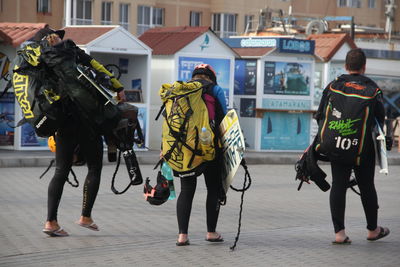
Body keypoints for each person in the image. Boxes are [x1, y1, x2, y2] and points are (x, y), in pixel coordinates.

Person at [33, 26, 125, 237]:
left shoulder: (41, 60)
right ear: (57, 38)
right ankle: (85, 216)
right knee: (94, 167)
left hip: (63, 120)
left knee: (61, 170)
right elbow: (97, 67)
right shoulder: (71, 51)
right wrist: (118, 87)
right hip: (88, 119)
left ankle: (51, 221)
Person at [315, 48, 390, 244]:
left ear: (346, 66)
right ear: (364, 67)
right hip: (362, 147)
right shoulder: (373, 89)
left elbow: (320, 115)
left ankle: (339, 234)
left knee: (338, 185)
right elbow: (379, 121)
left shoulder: (333, 85)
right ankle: (372, 230)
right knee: (367, 186)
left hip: (336, 144)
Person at [175, 64, 227, 246]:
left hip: (186, 149)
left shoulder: (181, 90)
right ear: (212, 77)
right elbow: (224, 119)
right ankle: (211, 232)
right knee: (213, 189)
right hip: (210, 148)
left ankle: (182, 236)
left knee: (186, 190)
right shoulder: (216, 90)